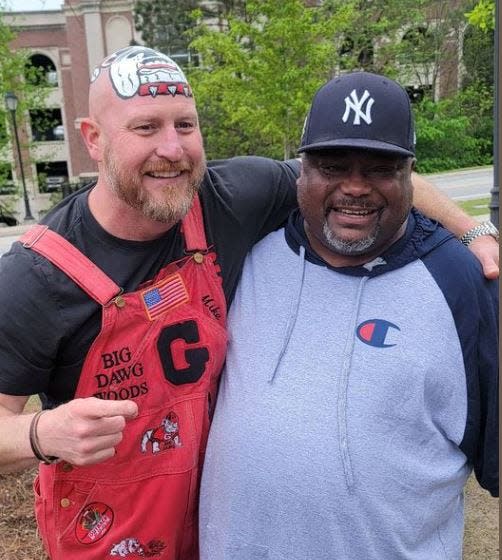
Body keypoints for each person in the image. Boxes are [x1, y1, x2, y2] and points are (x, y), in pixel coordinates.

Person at [0, 46, 496, 559]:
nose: (172, 148)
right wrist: (42, 432)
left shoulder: (228, 199)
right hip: (109, 540)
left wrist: (474, 229)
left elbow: (366, 171)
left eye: (185, 125)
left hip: (213, 537)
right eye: (145, 128)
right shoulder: (38, 274)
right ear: (93, 139)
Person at [199, 71, 499, 560]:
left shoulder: (464, 285)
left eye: (380, 168)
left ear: (410, 175)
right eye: (333, 166)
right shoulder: (247, 255)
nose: (354, 188)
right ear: (302, 171)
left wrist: (471, 229)